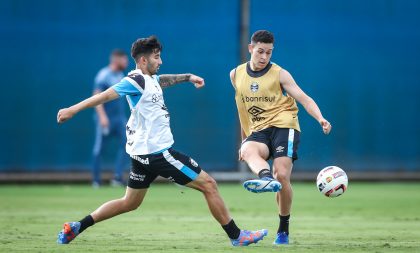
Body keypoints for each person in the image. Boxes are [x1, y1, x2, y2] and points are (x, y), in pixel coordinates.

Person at [56, 35, 267, 246]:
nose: (161, 61)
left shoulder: (149, 80)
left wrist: (187, 77)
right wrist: (72, 110)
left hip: (141, 154)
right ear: (143, 61)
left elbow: (161, 80)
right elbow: (103, 96)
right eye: (157, 57)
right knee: (209, 185)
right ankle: (237, 236)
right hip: (158, 153)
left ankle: (77, 226)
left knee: (129, 202)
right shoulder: (134, 80)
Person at [229, 30, 332, 245]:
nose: (264, 57)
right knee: (247, 150)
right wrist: (244, 139)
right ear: (250, 49)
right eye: (260, 51)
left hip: (285, 125)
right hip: (259, 128)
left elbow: (304, 98)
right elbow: (242, 110)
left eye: (268, 52)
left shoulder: (280, 74)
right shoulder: (236, 74)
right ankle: (265, 178)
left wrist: (321, 118)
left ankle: (283, 230)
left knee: (282, 175)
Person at [92, 49, 129, 187]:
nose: (126, 62)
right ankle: (96, 181)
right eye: (124, 59)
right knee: (99, 149)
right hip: (105, 119)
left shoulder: (121, 75)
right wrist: (102, 117)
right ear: (116, 60)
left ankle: (118, 177)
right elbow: (96, 97)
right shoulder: (103, 75)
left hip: (119, 119)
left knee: (127, 144)